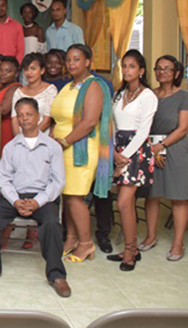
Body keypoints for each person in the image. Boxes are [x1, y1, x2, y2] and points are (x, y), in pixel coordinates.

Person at [0, 98, 70, 298]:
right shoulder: (11, 147)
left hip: (43, 197)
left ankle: (57, 275)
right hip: (15, 196)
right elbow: (3, 178)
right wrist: (16, 200)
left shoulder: (52, 147)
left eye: (29, 114)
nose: (25, 119)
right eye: (20, 115)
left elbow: (57, 182)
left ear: (38, 117)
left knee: (52, 223)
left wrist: (38, 202)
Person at [50, 44, 112, 264]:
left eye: (77, 59)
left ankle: (86, 245)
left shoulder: (93, 85)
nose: (71, 64)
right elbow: (56, 118)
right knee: (67, 195)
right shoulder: (68, 86)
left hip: (81, 149)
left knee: (76, 197)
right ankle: (72, 238)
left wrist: (65, 142)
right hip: (62, 149)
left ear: (88, 62)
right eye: (68, 59)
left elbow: (89, 122)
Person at [108, 50, 157, 271]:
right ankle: (132, 248)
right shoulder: (119, 94)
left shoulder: (148, 96)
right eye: (124, 66)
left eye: (131, 66)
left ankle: (130, 251)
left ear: (141, 70)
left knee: (123, 202)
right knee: (125, 203)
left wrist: (123, 158)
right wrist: (114, 153)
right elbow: (112, 124)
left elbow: (143, 132)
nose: (127, 70)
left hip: (136, 151)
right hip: (117, 148)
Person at [144, 55, 188, 261]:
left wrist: (161, 147)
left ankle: (178, 244)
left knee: (178, 197)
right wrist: (153, 148)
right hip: (152, 148)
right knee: (152, 195)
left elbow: (183, 128)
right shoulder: (149, 95)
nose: (162, 72)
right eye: (158, 68)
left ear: (176, 73)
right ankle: (150, 236)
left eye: (167, 69)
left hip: (176, 149)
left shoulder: (183, 97)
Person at [12, 53, 58, 136]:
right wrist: (19, 140)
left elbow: (47, 120)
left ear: (42, 70)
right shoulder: (18, 92)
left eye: (33, 68)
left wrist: (30, 138)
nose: (29, 72)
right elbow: (15, 119)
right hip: (21, 140)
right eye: (26, 69)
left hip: (42, 137)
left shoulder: (50, 90)